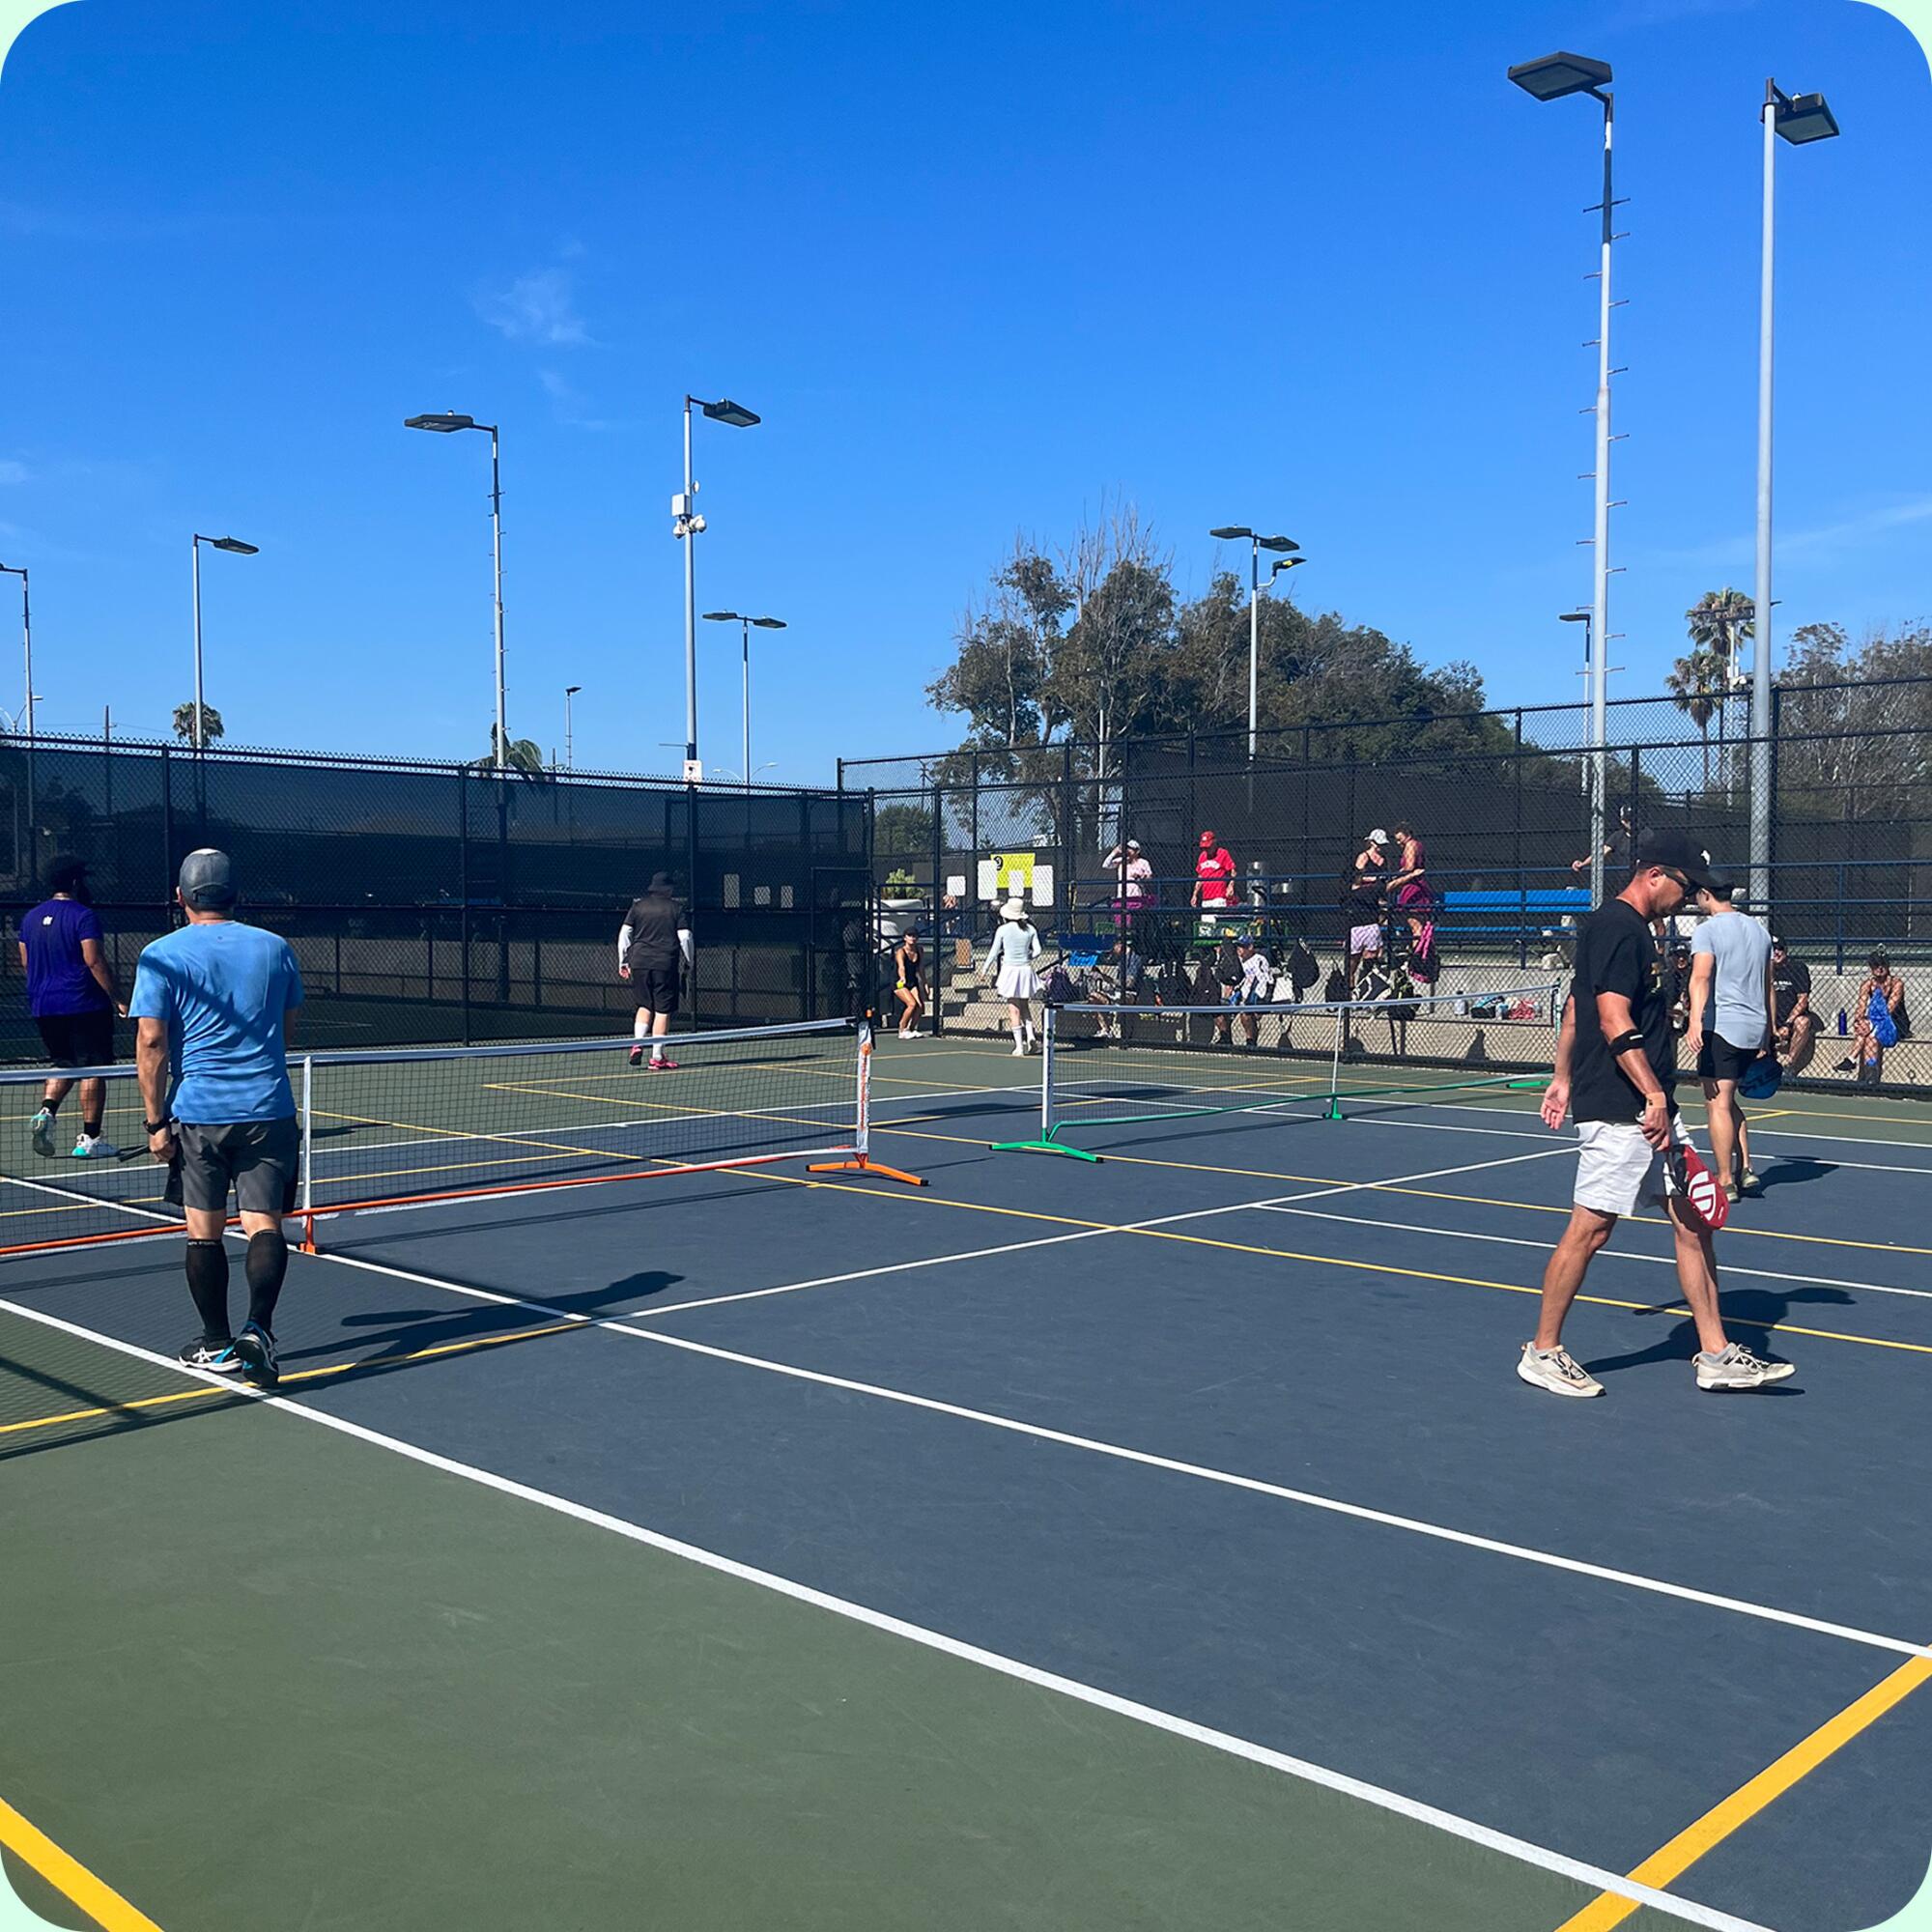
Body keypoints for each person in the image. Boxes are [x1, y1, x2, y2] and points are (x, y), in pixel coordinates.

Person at [1518, 829, 1794, 1399]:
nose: (1689, 897)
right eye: (1685, 886)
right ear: (1654, 875)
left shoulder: (1623, 930)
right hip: (1625, 1107)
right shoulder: (1620, 929)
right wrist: (1653, 1095)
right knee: (1591, 1230)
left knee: (1694, 1223)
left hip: (1647, 1103)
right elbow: (1614, 1018)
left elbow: (1576, 1008)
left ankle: (1715, 1353)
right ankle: (1543, 1351)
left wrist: (1562, 1076)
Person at [132, 850, 303, 1388]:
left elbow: (152, 1041)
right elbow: (286, 1030)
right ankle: (259, 1332)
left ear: (180, 898)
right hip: (269, 1108)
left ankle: (214, 1342)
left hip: (200, 1115)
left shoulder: (160, 954)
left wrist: (155, 1123)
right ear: (236, 895)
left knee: (203, 1232)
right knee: (264, 1225)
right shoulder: (276, 948)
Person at [20, 857, 127, 1159]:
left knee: (63, 1061)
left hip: (44, 1006)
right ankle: (90, 1139)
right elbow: (93, 959)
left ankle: (47, 1110)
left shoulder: (29, 919)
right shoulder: (83, 916)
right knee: (93, 1068)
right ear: (77, 883)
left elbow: (26, 962)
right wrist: (118, 997)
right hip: (84, 1003)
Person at [1687, 878, 1773, 1202]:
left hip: (1723, 1028)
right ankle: (1745, 1168)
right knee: (1728, 1099)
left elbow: (1701, 976)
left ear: (1706, 895)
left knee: (1716, 1103)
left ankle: (1725, 1179)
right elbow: (1768, 986)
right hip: (1753, 1028)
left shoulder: (1707, 930)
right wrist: (1767, 1032)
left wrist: (1695, 1020)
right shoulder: (1759, 930)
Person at [618, 871, 693, 1069]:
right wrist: (689, 961)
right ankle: (657, 1057)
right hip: (665, 964)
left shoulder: (638, 906)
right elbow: (685, 937)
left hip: (639, 963)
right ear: (667, 889)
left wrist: (623, 961)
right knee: (662, 1010)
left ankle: (637, 1044)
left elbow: (625, 933)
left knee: (644, 1005)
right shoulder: (676, 908)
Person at [983, 898, 1042, 1055]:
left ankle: (1019, 1046)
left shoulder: (1002, 930)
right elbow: (1037, 951)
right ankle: (1030, 1037)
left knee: (1013, 1009)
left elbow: (994, 951)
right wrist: (1027, 957)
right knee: (1024, 1007)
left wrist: (984, 969)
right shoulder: (1030, 929)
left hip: (1010, 971)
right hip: (1025, 970)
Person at [1844, 952, 1906, 1087]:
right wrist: (1859, 1021)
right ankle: (1871, 1074)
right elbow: (1860, 1007)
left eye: (1883, 964)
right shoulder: (1867, 984)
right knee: (1870, 1036)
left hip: (1893, 1024)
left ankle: (1851, 1059)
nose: (1880, 968)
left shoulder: (1896, 983)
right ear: (1871, 967)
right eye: (1875, 965)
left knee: (1870, 1032)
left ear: (1888, 965)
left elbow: (1888, 1010)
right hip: (1874, 1024)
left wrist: (1869, 1023)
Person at [1770, 937, 1816, 1074]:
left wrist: (1787, 1024)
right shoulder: (1764, 970)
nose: (1776, 952)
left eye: (1780, 949)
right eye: (1773, 949)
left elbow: (1802, 1000)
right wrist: (1772, 1026)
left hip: (1790, 1020)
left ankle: (1789, 1065)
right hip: (1770, 1019)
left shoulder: (1797, 968)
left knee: (1803, 1022)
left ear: (1786, 950)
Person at [1386, 821, 1432, 941]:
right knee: (1421, 925)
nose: (1398, 842)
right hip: (1419, 885)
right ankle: (1423, 953)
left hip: (1412, 887)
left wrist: (1397, 875)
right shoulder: (1418, 845)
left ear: (1408, 835)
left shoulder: (1410, 845)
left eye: (1400, 839)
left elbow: (1410, 867)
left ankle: (1418, 956)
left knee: (1416, 927)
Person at [1228, 932, 1272, 1049]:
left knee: (1246, 1014)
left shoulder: (1259, 960)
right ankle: (1226, 1039)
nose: (1239, 949)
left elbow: (1264, 981)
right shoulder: (1239, 961)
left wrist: (1257, 998)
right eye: (1238, 946)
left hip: (1257, 997)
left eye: (1242, 946)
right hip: (1243, 995)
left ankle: (1251, 1042)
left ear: (1250, 947)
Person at [1101, 838, 1153, 935]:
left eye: (1131, 849)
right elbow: (1105, 865)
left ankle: (1135, 941)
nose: (1128, 851)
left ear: (1137, 851)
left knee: (1135, 925)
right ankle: (1122, 943)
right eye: (1127, 848)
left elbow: (1149, 877)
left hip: (1136, 898)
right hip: (1122, 896)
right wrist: (1114, 852)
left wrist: (1142, 877)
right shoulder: (1121, 861)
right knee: (1121, 924)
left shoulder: (1143, 862)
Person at [892, 928, 925, 1038]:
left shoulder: (919, 950)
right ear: (905, 938)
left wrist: (925, 984)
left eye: (914, 935)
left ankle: (911, 1029)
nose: (912, 938)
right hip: (899, 983)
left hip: (912, 982)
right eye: (909, 935)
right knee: (912, 1004)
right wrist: (902, 978)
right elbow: (901, 967)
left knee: (920, 1006)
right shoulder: (900, 951)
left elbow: (920, 969)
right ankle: (902, 1029)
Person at [1191, 830, 1236, 912]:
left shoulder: (1223, 853)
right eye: (1204, 847)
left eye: (1208, 847)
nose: (1207, 849)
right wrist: (1195, 894)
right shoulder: (1202, 856)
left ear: (1214, 843)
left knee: (1217, 922)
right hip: (1206, 898)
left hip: (1219, 897)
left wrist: (1231, 886)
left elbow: (1232, 871)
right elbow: (1200, 876)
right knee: (1206, 924)